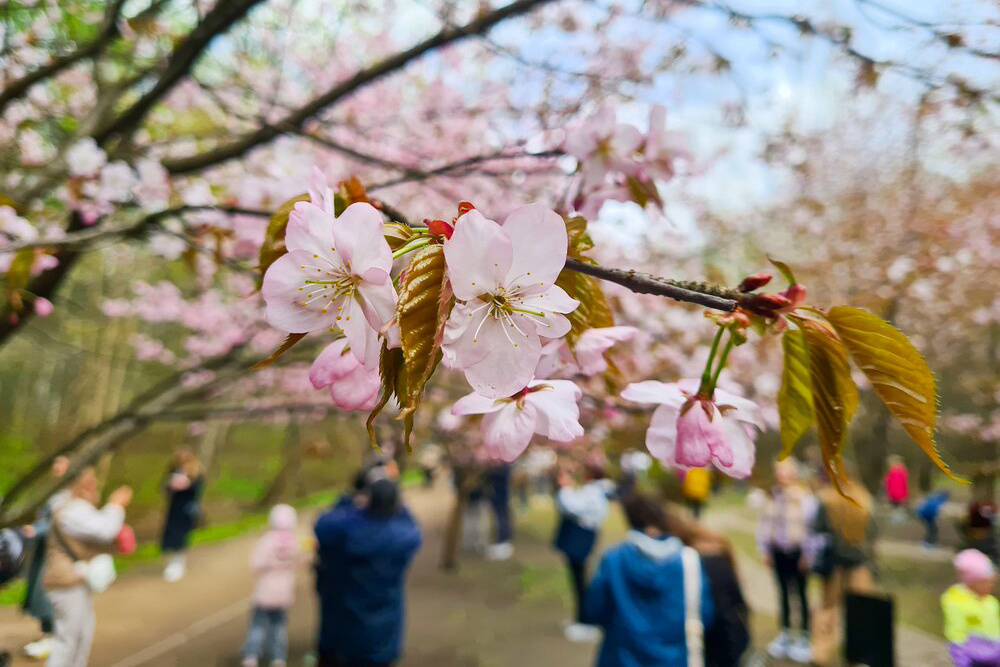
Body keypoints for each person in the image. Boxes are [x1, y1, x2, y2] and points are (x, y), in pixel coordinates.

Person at [583, 492, 715, 666]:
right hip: (674, 658)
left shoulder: (614, 559)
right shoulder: (688, 561)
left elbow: (594, 609)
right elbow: (704, 613)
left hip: (621, 656)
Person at [314, 477, 421, 667]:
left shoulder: (344, 532)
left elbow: (322, 524)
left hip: (340, 633)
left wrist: (349, 499)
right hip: (382, 638)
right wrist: (400, 505)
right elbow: (412, 526)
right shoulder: (403, 537)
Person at [44, 467, 131, 667]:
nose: (95, 484)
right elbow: (104, 530)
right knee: (68, 639)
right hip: (65, 581)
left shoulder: (69, 504)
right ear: (79, 484)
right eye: (90, 480)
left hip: (73, 579)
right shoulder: (72, 509)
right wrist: (116, 505)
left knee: (81, 633)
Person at [664, 502, 750, 667]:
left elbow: (723, 613)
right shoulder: (713, 554)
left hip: (719, 646)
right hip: (728, 640)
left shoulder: (700, 562)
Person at [810, 475, 878, 667]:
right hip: (859, 564)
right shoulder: (864, 501)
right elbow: (873, 534)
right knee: (859, 613)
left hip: (834, 566)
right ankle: (858, 657)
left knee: (827, 610)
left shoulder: (827, 501)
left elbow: (818, 529)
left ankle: (821, 654)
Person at [757, 459, 815, 663]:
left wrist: (809, 555)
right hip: (778, 552)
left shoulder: (804, 498)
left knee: (800, 594)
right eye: (778, 471)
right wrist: (765, 550)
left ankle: (804, 636)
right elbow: (765, 525)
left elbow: (811, 528)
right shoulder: (772, 496)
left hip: (798, 553)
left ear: (793, 474)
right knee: (782, 593)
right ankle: (785, 632)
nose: (780, 475)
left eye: (784, 471)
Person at [20, 456, 71, 660]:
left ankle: (55, 638)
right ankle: (47, 635)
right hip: (44, 550)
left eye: (61, 464)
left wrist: (36, 529)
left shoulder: (68, 494)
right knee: (38, 591)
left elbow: (60, 521)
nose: (57, 467)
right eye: (55, 463)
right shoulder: (52, 490)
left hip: (57, 552)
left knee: (47, 592)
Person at [554, 462, 612, 642]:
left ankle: (586, 621)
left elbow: (571, 507)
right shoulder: (596, 490)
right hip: (583, 535)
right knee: (579, 578)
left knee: (580, 579)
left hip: (581, 536)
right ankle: (583, 619)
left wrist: (565, 488)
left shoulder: (593, 491)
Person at [242, 504, 301, 667]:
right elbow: (296, 562)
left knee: (258, 625)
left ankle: (251, 655)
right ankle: (278, 657)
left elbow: (256, 564)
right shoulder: (294, 542)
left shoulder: (267, 541)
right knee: (279, 626)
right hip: (284, 593)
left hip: (265, 593)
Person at [942, 549, 1000, 667]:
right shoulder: (956, 602)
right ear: (972, 583)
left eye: (992, 583)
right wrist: (961, 654)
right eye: (986, 583)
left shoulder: (991, 602)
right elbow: (957, 634)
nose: (991, 587)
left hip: (994, 654)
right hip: (974, 657)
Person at [160, 447, 205, 582]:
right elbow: (164, 488)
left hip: (186, 509)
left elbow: (197, 492)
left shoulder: (197, 473)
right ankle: (171, 562)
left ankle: (178, 562)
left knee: (181, 535)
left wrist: (185, 485)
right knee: (170, 535)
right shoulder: (174, 470)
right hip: (174, 509)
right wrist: (171, 486)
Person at [485, 463, 514, 561]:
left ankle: (503, 541)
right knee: (500, 519)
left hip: (501, 497)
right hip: (497, 497)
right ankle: (502, 541)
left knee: (502, 519)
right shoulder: (501, 466)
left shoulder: (504, 467)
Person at [883, 456, 909, 524]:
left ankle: (898, 519)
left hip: (897, 492)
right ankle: (898, 518)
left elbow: (901, 483)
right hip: (895, 492)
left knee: (897, 506)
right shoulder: (899, 471)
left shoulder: (896, 472)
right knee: (897, 507)